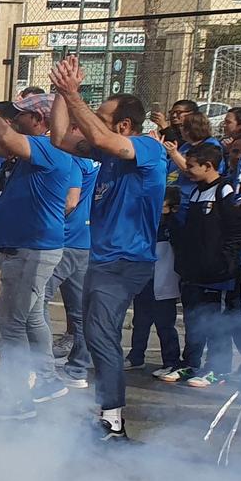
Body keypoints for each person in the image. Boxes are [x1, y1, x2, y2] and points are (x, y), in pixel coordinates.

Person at [48, 55, 169, 443]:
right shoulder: (107, 155)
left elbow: (99, 137)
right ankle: (106, 416)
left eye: (100, 114)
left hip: (125, 262)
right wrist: (61, 94)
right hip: (103, 260)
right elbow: (59, 138)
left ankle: (112, 422)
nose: (92, 120)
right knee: (99, 335)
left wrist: (73, 93)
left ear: (124, 125)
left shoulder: (148, 149)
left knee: (100, 336)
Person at [0, 75, 81, 415]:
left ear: (39, 120)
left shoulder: (48, 148)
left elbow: (1, 133)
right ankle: (46, 381)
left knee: (11, 322)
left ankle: (18, 400)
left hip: (32, 248)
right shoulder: (31, 150)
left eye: (22, 114)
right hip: (26, 247)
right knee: (30, 319)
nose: (15, 118)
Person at [170, 141, 241, 388]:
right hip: (194, 271)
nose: (187, 171)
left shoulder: (225, 190)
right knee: (194, 320)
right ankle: (190, 364)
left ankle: (218, 369)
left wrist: (224, 260)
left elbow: (237, 229)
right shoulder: (196, 190)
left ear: (208, 165)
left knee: (216, 323)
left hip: (218, 274)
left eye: (191, 166)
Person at [49, 142, 100, 385]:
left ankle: (38, 367)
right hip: (85, 240)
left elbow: (70, 201)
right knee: (80, 311)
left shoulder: (74, 162)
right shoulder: (97, 160)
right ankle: (78, 368)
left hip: (65, 240)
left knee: (33, 303)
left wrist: (46, 218)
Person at [129, 189, 184, 375]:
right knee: (140, 322)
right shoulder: (147, 225)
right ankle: (136, 357)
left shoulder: (174, 227)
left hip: (164, 282)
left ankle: (171, 361)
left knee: (165, 325)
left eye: (162, 206)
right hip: (145, 280)